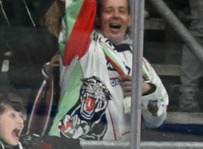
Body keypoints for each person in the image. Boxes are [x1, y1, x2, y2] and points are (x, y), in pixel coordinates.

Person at [46, 0, 168, 141]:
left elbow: (157, 120)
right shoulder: (82, 48)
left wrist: (145, 91)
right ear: (98, 18)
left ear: (129, 19)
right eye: (108, 11)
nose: (115, 16)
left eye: (121, 11)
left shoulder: (141, 64)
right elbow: (79, 11)